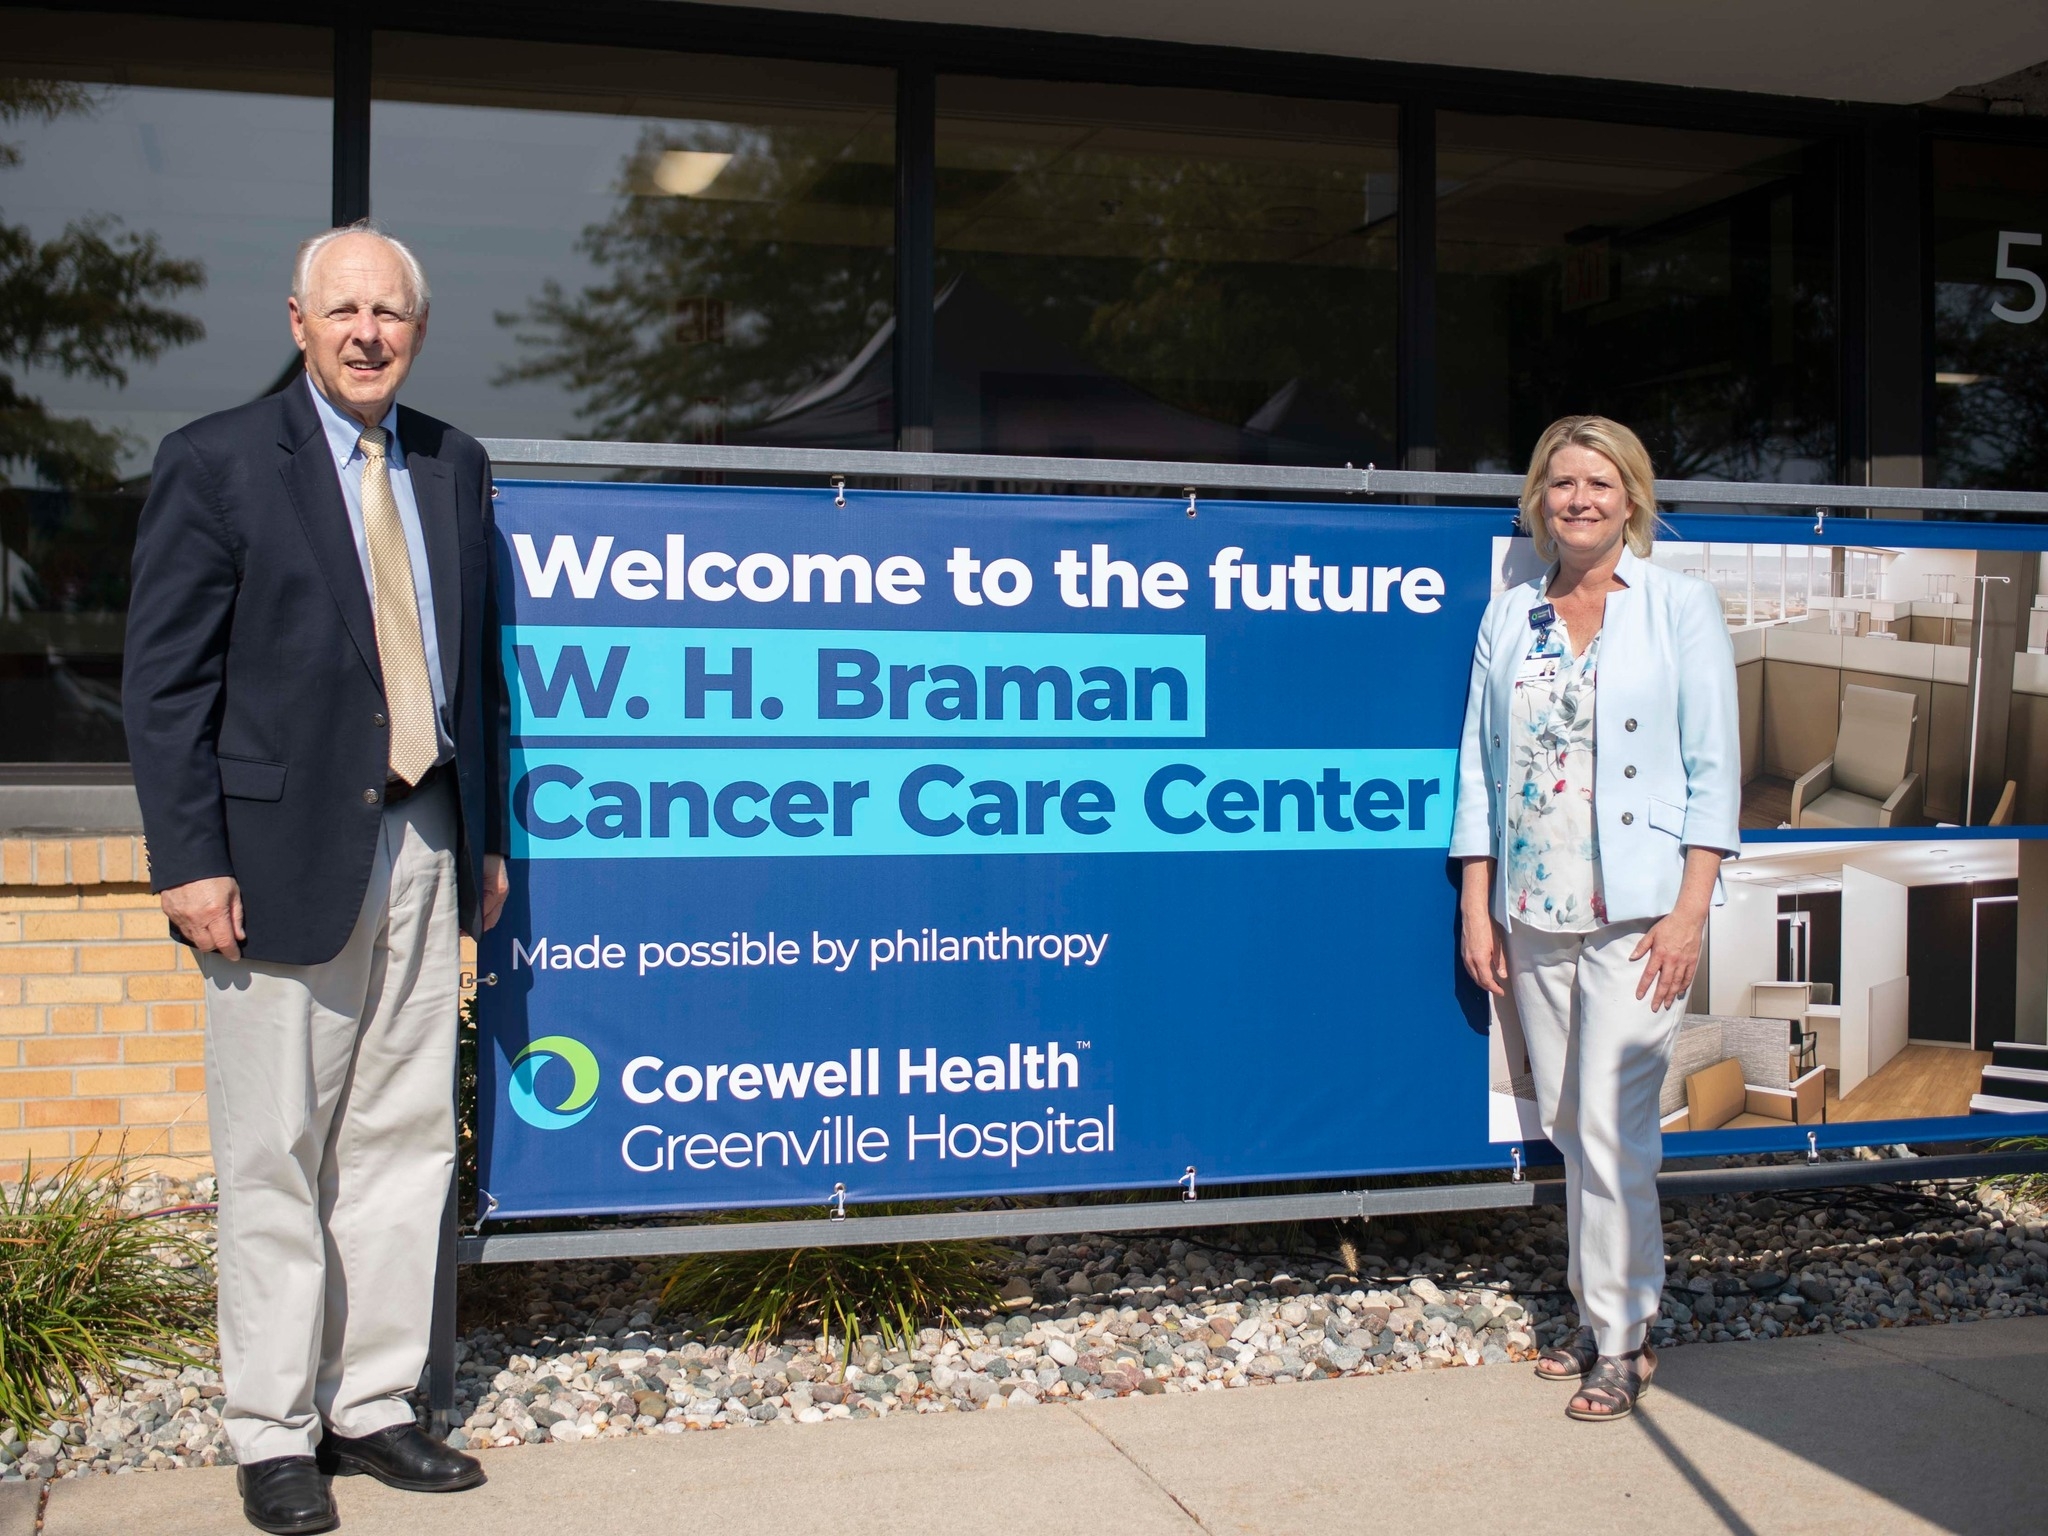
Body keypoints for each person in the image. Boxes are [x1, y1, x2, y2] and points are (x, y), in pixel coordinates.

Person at [123, 221, 509, 1533]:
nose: (366, 333)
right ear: (297, 321)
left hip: (424, 838)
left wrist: (491, 834)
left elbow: (477, 672)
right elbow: (165, 686)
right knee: (276, 1151)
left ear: (417, 330)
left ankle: (377, 1405)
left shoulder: (454, 465)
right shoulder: (218, 462)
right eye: (343, 309)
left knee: (404, 1143)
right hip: (270, 862)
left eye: (389, 314)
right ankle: (274, 1429)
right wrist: (188, 861)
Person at [1450, 415, 1739, 1422]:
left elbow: (1712, 769)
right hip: (1532, 909)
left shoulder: (1679, 608)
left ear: (1630, 497)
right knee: (1571, 1125)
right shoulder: (1508, 616)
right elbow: (1479, 770)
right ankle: (1599, 1311)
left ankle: (1618, 1339)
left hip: (1639, 913)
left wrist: (1690, 911)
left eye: (1597, 483)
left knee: (1613, 1129)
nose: (1577, 499)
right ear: (1538, 499)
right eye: (1560, 483)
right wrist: (1476, 901)